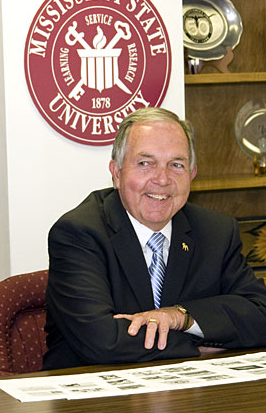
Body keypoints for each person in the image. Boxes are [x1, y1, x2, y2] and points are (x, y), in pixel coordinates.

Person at [43, 107, 266, 370]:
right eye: (145, 163)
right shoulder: (78, 233)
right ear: (116, 172)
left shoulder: (216, 231)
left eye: (176, 165)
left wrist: (180, 317)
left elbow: (260, 315)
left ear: (192, 175)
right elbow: (101, 342)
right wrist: (197, 343)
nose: (162, 179)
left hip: (191, 394)